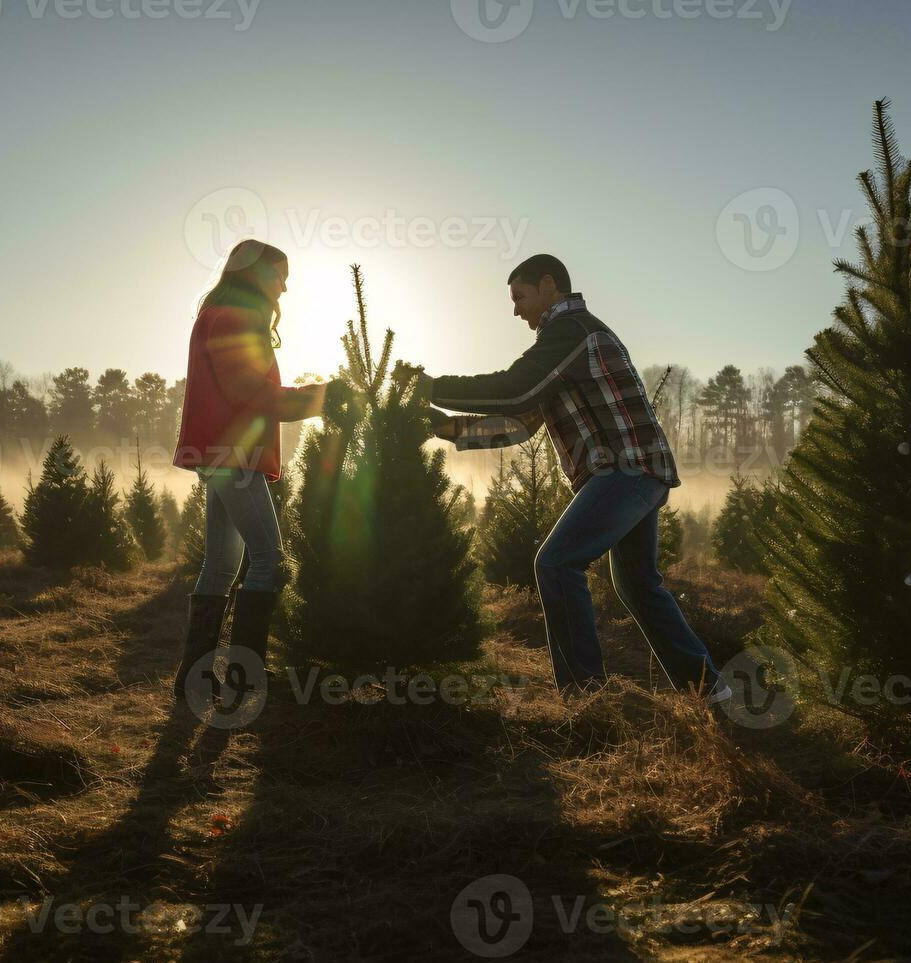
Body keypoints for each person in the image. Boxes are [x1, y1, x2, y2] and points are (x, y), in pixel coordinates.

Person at [402, 254, 725, 702]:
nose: (516, 310)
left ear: (549, 285)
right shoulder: (565, 346)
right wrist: (441, 426)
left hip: (624, 470)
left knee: (555, 563)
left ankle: (583, 697)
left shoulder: (571, 331)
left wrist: (430, 385)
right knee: (638, 586)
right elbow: (518, 421)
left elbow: (515, 387)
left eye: (520, 297)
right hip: (638, 474)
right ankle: (710, 691)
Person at [172, 240, 338, 704]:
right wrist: (323, 398)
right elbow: (252, 392)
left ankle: (195, 677)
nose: (286, 285)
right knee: (268, 559)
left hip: (220, 454)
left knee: (221, 565)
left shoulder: (222, 314)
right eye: (279, 274)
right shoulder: (234, 319)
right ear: (256, 274)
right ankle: (247, 678)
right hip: (234, 455)